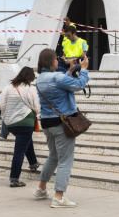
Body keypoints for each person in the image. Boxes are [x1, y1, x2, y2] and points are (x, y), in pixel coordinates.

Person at [34, 48, 89, 208]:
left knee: (53, 156)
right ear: (51, 61)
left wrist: (71, 71)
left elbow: (61, 83)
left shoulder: (41, 79)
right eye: (56, 59)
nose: (58, 61)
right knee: (65, 160)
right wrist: (83, 70)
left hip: (46, 122)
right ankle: (59, 196)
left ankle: (41, 189)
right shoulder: (57, 77)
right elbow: (79, 85)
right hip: (62, 123)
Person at [0, 66, 41, 187]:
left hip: (11, 124)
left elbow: (0, 105)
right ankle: (14, 178)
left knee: (26, 141)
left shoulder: (8, 87)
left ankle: (33, 163)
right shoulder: (30, 89)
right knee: (19, 151)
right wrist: (36, 113)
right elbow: (37, 107)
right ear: (30, 77)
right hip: (25, 123)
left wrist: (7, 117)